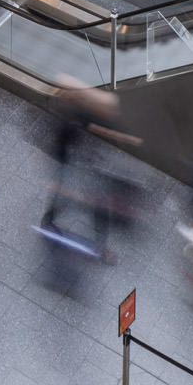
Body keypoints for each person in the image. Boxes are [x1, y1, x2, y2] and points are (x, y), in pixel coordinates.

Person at [39, 80, 141, 259]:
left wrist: (124, 137)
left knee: (87, 202)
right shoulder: (68, 119)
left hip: (83, 162)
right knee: (86, 202)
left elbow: (95, 126)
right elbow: (60, 148)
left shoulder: (84, 113)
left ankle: (50, 219)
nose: (111, 114)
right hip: (70, 163)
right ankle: (51, 220)